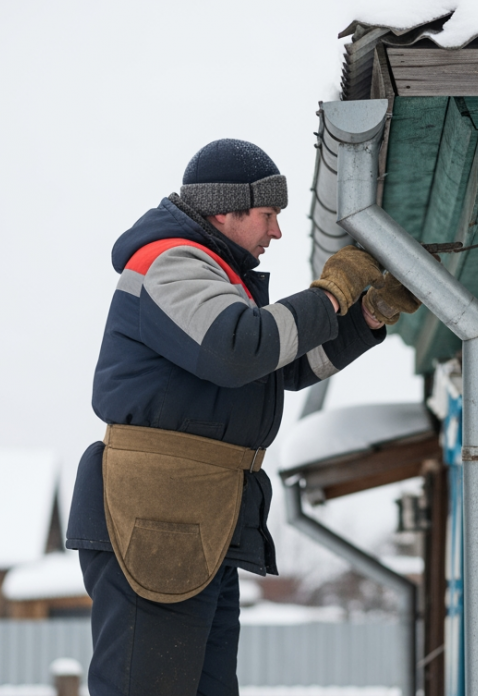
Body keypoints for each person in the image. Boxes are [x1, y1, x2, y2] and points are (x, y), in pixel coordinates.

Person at [65, 139, 420, 696]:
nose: (275, 232)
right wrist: (331, 294)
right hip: (157, 518)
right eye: (267, 215)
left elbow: (281, 366)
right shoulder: (169, 262)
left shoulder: (220, 279)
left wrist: (369, 312)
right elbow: (238, 350)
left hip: (196, 516)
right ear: (225, 210)